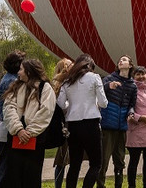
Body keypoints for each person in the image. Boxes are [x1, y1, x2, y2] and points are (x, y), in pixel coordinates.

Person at [1, 58, 56, 188]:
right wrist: (18, 130)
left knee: (32, 176)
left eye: (21, 69)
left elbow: (46, 112)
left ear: (29, 72)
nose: (18, 72)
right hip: (16, 135)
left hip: (35, 137)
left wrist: (29, 132)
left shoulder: (45, 88)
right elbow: (9, 108)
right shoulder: (16, 86)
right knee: (13, 176)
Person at [57, 53, 108, 188]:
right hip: (91, 122)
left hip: (73, 125)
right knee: (96, 163)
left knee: (75, 164)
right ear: (90, 66)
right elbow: (103, 103)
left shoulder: (68, 81)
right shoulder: (94, 77)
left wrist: (72, 106)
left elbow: (61, 104)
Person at [98, 55, 138, 188]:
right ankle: (100, 185)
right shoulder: (109, 79)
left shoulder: (132, 85)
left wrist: (131, 113)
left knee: (120, 160)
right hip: (107, 125)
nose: (121, 61)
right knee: (103, 160)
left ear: (130, 65)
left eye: (124, 60)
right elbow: (98, 93)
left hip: (121, 128)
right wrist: (109, 86)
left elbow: (132, 104)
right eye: (120, 59)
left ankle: (118, 184)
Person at [0, 50, 26, 188]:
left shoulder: (8, 78)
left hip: (6, 126)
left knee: (6, 165)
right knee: (6, 167)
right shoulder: (13, 81)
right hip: (9, 128)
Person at [52, 58, 74, 188]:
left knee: (72, 158)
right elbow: (60, 105)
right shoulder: (59, 85)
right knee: (62, 158)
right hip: (64, 124)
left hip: (71, 122)